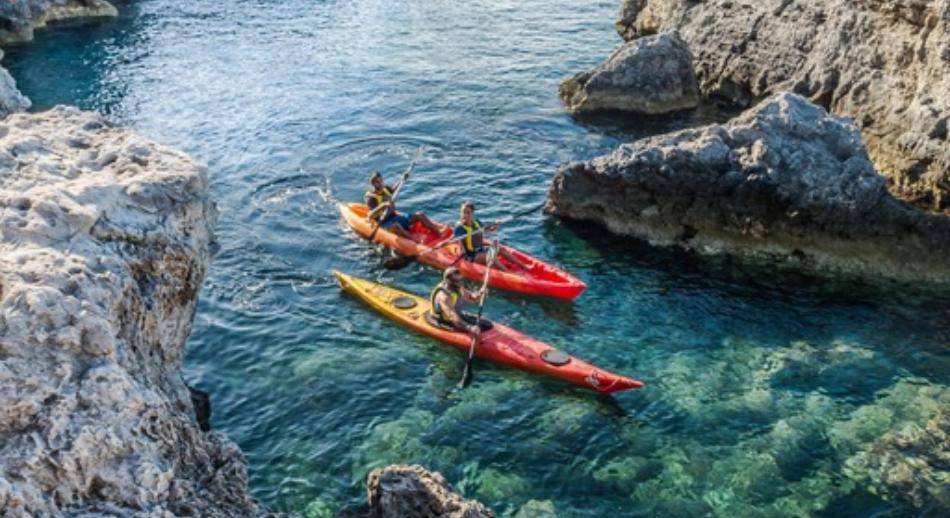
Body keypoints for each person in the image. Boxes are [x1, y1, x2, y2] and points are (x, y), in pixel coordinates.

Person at [454, 201, 529, 272]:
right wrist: (462, 253)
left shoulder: (477, 223)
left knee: (500, 249)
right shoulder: (459, 228)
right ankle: (508, 272)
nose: (465, 215)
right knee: (490, 255)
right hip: (471, 256)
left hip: (481, 250)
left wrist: (496, 225)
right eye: (463, 212)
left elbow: (490, 229)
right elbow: (461, 247)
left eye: (468, 213)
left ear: (472, 213)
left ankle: (523, 266)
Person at [365, 171, 441, 239]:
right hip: (384, 223)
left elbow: (394, 190)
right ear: (373, 184)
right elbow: (370, 215)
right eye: (378, 182)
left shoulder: (385, 188)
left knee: (420, 215)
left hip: (395, 216)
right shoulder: (371, 197)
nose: (381, 183)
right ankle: (414, 240)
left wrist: (402, 179)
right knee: (396, 226)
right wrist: (383, 205)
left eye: (381, 181)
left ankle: (439, 234)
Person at [430, 267, 485, 336]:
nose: (459, 283)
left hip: (457, 316)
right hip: (445, 321)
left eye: (460, 280)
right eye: (456, 281)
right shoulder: (443, 296)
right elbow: (452, 317)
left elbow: (471, 297)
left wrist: (480, 294)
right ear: (447, 280)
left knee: (485, 325)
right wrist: (470, 328)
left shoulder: (457, 285)